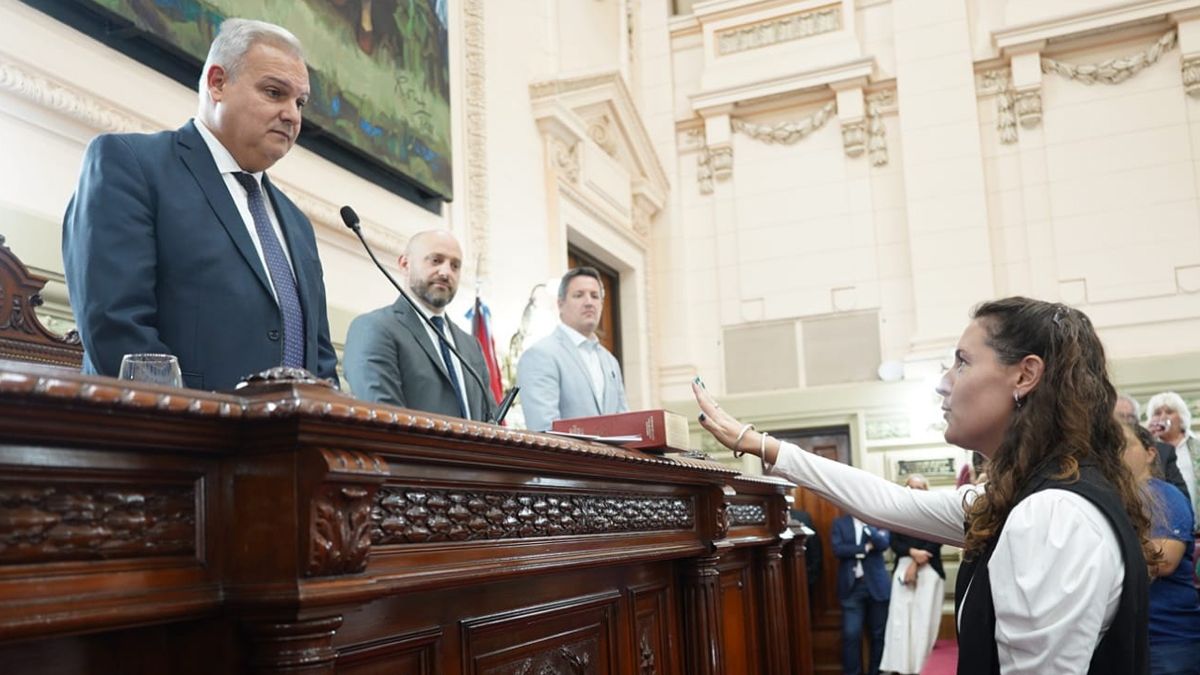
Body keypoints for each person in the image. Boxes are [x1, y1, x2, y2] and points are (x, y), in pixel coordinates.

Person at [693, 297, 1155, 674]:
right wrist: (759, 444)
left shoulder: (1052, 513)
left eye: (961, 363)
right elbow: (890, 503)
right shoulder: (1033, 495)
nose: (943, 384)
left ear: (1025, 375)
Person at [61, 19, 338, 391]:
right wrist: (190, 429)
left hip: (288, 444)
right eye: (275, 93)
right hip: (173, 440)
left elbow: (320, 362)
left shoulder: (297, 223)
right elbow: (116, 327)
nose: (293, 115)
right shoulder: (131, 165)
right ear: (217, 83)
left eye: (300, 102)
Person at [343, 230, 497, 421]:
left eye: (455, 266)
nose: (446, 272)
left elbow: (491, 421)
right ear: (405, 264)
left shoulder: (471, 346)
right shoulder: (373, 328)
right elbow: (383, 421)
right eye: (435, 260)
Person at [1120, 422, 1200, 674]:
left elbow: (1163, 561)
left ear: (1150, 453)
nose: (1115, 450)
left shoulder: (1165, 496)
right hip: (1131, 639)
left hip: (1168, 638)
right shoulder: (1114, 497)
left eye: (1125, 444)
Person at [516, 267, 628, 431]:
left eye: (595, 296)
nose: (589, 302)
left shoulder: (610, 361)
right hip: (565, 457)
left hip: (611, 457)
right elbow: (544, 429)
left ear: (602, 305)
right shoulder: (540, 355)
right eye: (579, 295)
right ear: (560, 304)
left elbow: (624, 423)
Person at [879, 475, 945, 675]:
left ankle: (921, 669)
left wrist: (916, 562)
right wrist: (912, 554)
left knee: (922, 621)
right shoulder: (896, 513)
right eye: (912, 487)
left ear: (927, 490)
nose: (916, 491)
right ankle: (899, 667)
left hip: (929, 569)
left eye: (920, 488)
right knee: (900, 619)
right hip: (903, 567)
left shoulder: (936, 513)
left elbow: (937, 540)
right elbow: (894, 542)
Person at [832, 514, 890, 675]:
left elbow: (884, 543)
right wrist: (864, 548)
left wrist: (868, 527)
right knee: (851, 634)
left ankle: (876, 672)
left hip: (877, 587)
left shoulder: (878, 521)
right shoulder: (839, 523)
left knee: (878, 635)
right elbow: (838, 549)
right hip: (852, 588)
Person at [1147, 391, 1200, 536]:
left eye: (1169, 412)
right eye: (1157, 413)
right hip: (1166, 531)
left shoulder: (1197, 445)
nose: (1163, 417)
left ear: (1182, 417)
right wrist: (1146, 440)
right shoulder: (1147, 451)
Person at [1117, 393, 1187, 501]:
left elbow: (1180, 498)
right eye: (1120, 416)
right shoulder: (1099, 452)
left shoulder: (1161, 451)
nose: (1126, 421)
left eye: (1131, 417)